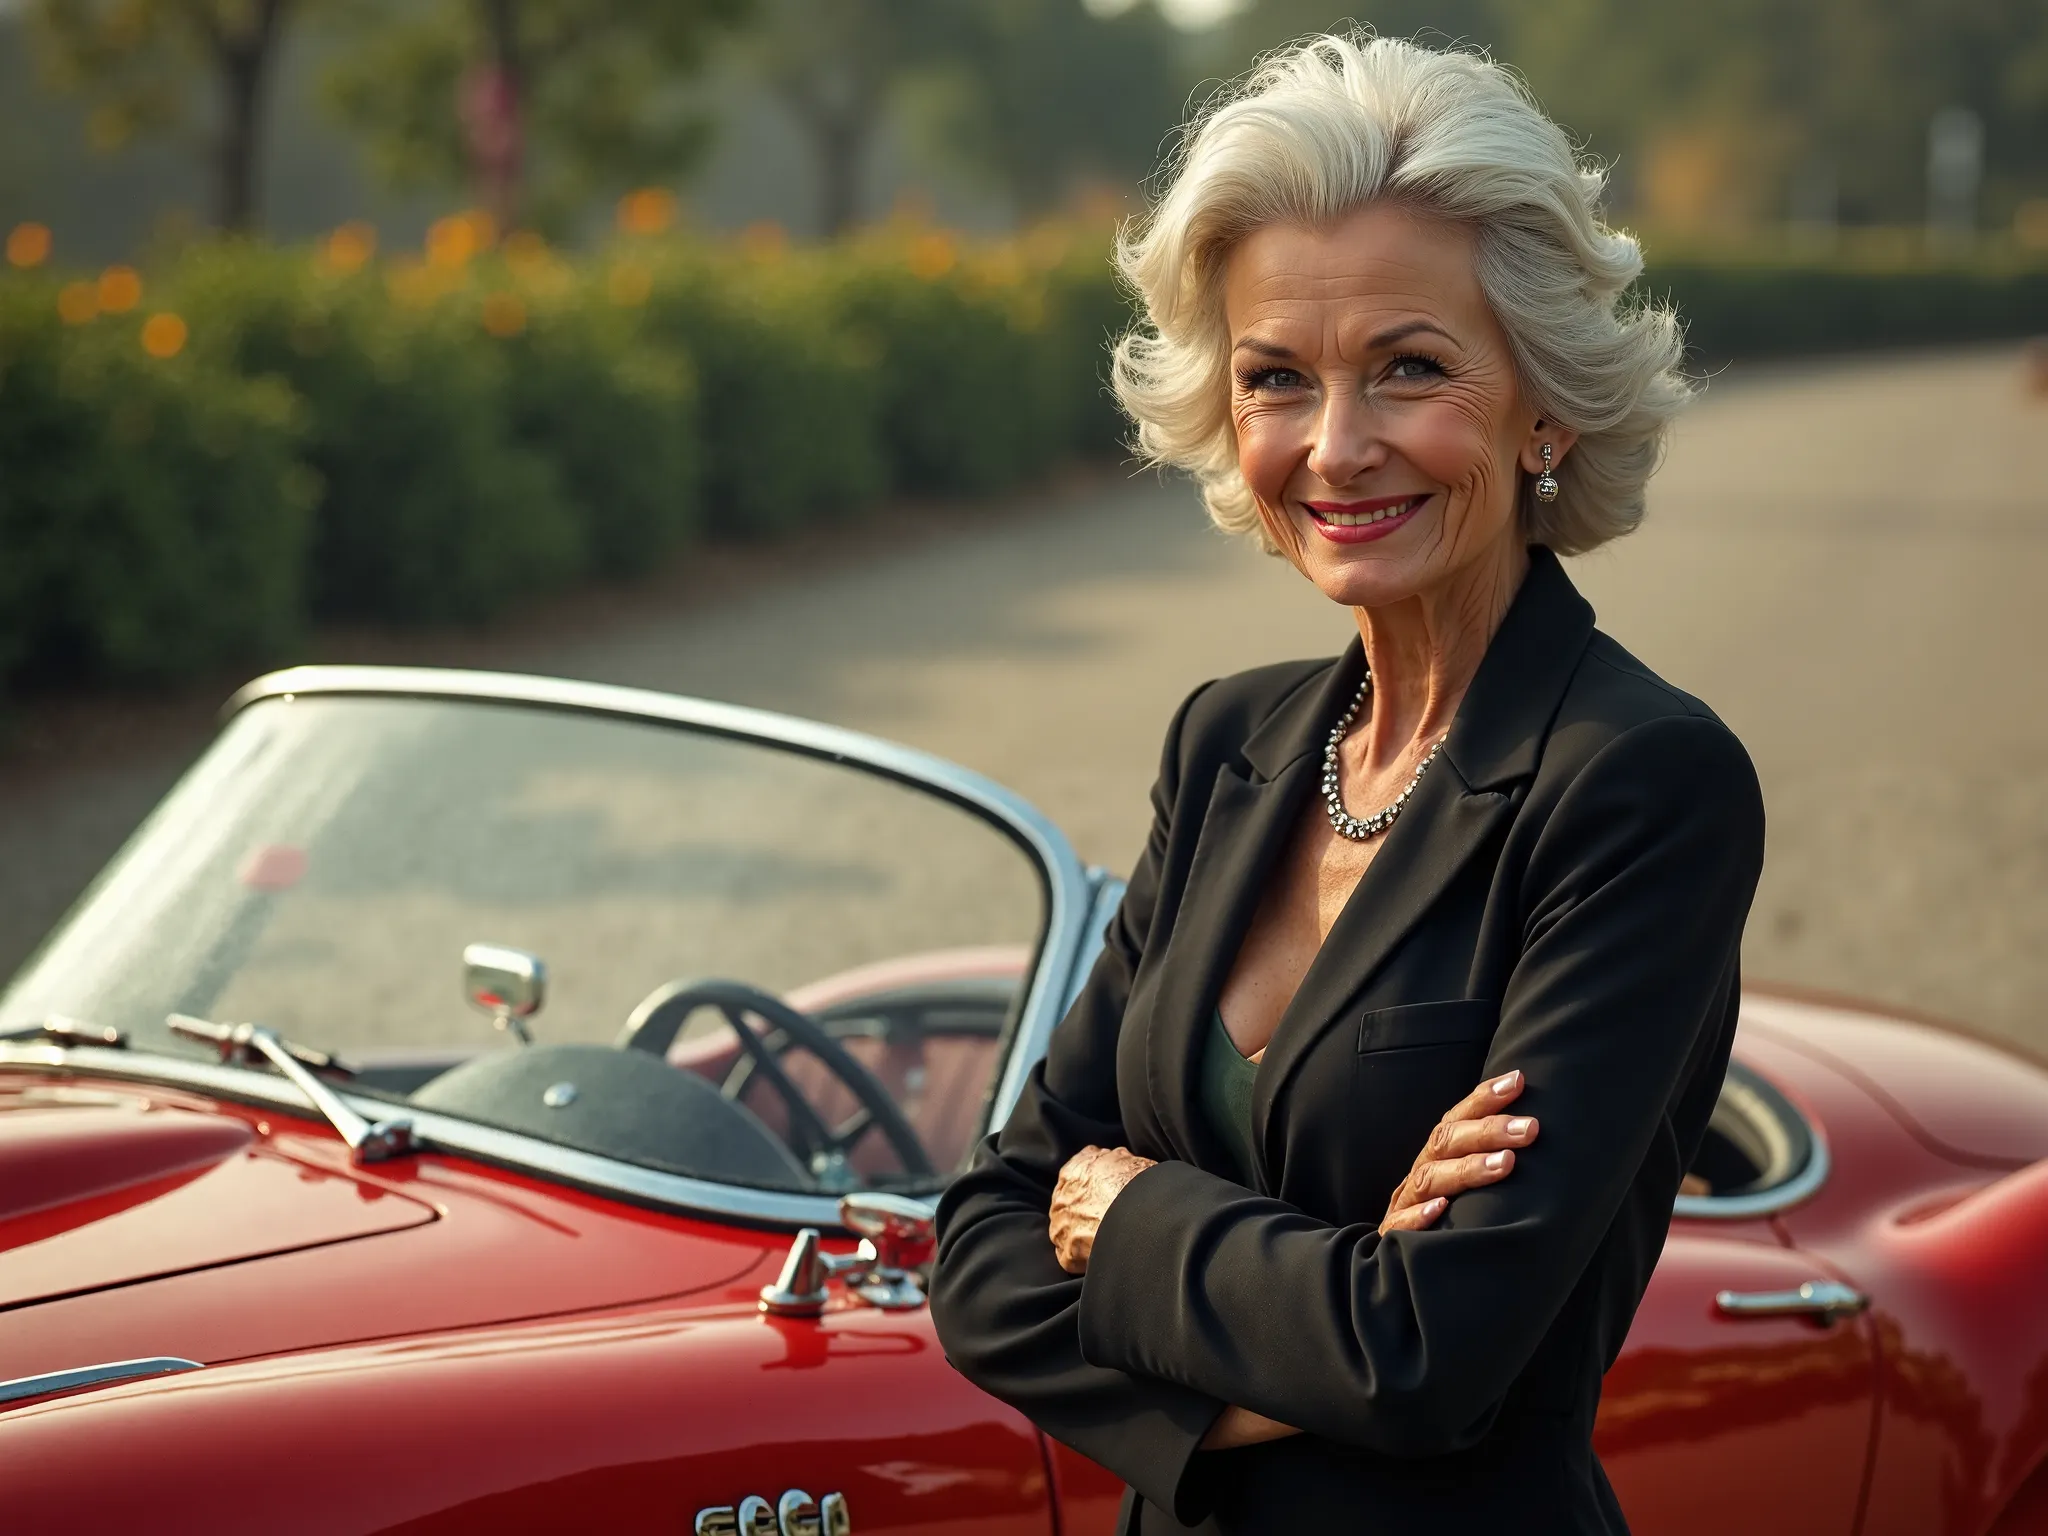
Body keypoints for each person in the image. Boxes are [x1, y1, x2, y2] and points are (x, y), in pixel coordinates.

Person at [928, 32, 1766, 1535]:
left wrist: (1128, 1219)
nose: (1336, 446)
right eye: (1276, 379)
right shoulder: (1226, 745)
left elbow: (1432, 1358)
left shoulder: (1641, 784)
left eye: (1411, 368)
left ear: (1543, 405)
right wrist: (1337, 1301)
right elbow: (984, 1247)